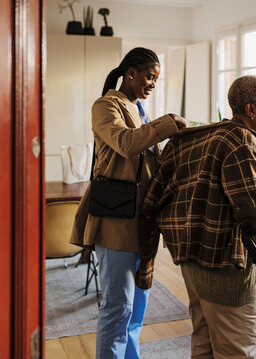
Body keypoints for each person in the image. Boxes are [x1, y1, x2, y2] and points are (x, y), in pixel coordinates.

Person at [137, 75, 256, 358]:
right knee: (236, 351)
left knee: (204, 342)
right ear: (251, 110)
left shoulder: (202, 136)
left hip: (191, 259)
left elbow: (156, 194)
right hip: (224, 266)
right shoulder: (240, 141)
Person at [70, 47, 186, 359]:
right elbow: (125, 143)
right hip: (115, 221)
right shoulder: (105, 106)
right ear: (130, 72)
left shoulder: (139, 110)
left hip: (142, 222)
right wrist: (166, 124)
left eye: (156, 79)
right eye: (149, 76)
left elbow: (149, 165)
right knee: (117, 306)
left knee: (137, 307)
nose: (152, 83)